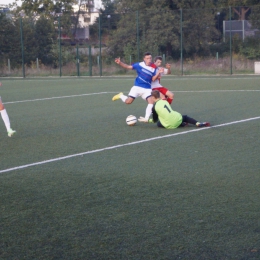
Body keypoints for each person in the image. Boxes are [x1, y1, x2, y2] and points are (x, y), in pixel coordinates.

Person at [112, 52, 164, 121]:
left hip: (147, 88)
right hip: (137, 87)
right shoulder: (139, 65)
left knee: (151, 101)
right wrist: (120, 63)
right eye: (147, 58)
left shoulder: (154, 67)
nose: (149, 60)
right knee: (128, 102)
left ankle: (146, 118)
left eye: (150, 58)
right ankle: (121, 95)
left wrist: (158, 73)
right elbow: (127, 67)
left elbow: (153, 79)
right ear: (144, 59)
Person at [138, 90, 210, 129]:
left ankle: (182, 124)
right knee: (185, 117)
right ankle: (197, 123)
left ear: (153, 98)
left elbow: (154, 120)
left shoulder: (154, 107)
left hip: (169, 125)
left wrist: (147, 120)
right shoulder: (164, 101)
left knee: (158, 123)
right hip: (177, 119)